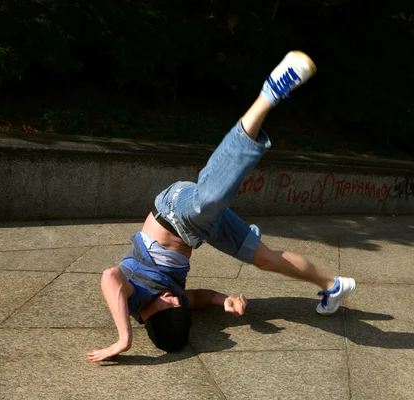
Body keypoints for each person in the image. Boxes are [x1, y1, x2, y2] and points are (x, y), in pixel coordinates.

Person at [87, 51, 356, 363]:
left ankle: (270, 93)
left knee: (210, 199)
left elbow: (110, 276)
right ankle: (332, 286)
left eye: (169, 305)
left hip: (176, 213)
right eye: (179, 307)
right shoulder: (176, 303)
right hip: (201, 230)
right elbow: (197, 298)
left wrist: (124, 337)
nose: (174, 299)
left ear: (149, 318)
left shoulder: (134, 299)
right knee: (266, 259)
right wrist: (224, 301)